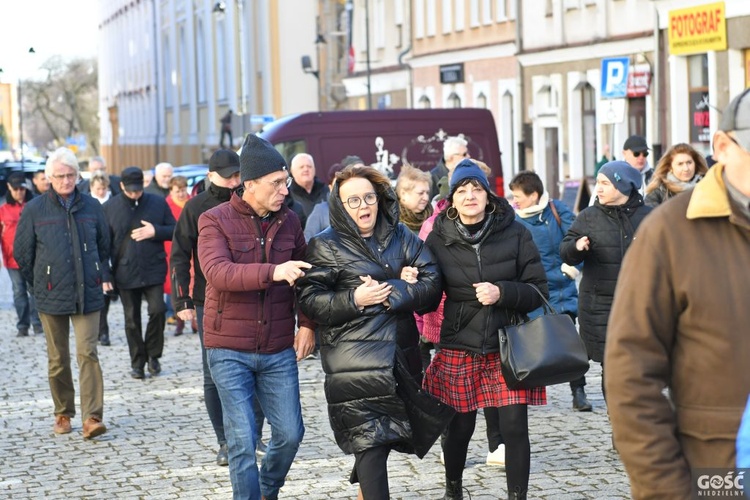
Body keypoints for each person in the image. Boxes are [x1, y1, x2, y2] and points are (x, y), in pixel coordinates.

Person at [604, 89, 750, 499]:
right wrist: (667, 489)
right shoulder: (669, 234)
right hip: (721, 475)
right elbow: (631, 375)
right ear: (722, 146)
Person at [296, 164, 442, 499]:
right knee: (371, 443)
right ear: (340, 206)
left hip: (398, 359)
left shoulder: (400, 235)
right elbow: (311, 301)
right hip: (354, 364)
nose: (363, 206)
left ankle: (365, 481)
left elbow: (432, 281)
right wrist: (355, 298)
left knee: (384, 437)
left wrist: (394, 292)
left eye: (368, 198)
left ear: (379, 199)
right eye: (353, 201)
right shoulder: (325, 246)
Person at [197, 134, 315, 500]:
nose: (284, 189)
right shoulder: (212, 219)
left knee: (291, 434)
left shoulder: (291, 221)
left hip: (278, 347)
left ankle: (266, 490)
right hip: (228, 348)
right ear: (249, 185)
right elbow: (218, 273)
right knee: (243, 439)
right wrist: (273, 271)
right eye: (276, 182)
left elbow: (306, 278)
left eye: (286, 181)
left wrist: (308, 324)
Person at [424, 159, 548, 500]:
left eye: (476, 188)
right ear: (452, 200)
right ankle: (453, 490)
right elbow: (428, 298)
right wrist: (413, 282)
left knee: (514, 427)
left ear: (487, 194)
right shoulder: (438, 239)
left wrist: (502, 292)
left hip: (508, 344)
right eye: (462, 190)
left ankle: (517, 496)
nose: (469, 196)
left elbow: (539, 289)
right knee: (460, 427)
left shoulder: (516, 232)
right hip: (459, 344)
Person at [14, 147, 112, 439]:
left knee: (88, 353)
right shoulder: (34, 210)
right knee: (58, 358)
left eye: (71, 175)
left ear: (78, 176)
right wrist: (39, 284)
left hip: (88, 293)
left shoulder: (92, 206)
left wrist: (96, 272)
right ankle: (63, 412)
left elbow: (104, 244)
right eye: (60, 176)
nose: (66, 181)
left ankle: (92, 416)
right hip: (50, 293)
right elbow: (23, 253)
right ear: (48, 178)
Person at [172, 149, 242, 466]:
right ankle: (224, 441)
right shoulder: (196, 207)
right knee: (212, 372)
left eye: (237, 174)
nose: (234, 180)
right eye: (228, 175)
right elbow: (178, 254)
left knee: (251, 370)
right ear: (211, 175)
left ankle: (249, 435)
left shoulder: (250, 200)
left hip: (248, 293)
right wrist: (181, 301)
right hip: (207, 299)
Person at [560, 161, 652, 400]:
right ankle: (617, 419)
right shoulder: (589, 216)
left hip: (640, 305)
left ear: (623, 186)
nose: (598, 189)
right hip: (599, 306)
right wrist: (577, 247)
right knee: (611, 366)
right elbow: (565, 251)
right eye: (598, 183)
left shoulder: (650, 216)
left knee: (638, 365)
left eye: (605, 183)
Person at [509, 171, 590, 411]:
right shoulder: (513, 220)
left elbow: (579, 241)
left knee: (569, 342)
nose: (515, 201)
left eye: (518, 196)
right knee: (535, 341)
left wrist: (571, 270)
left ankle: (579, 391)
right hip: (533, 291)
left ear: (534, 195)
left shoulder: (557, 210)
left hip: (562, 287)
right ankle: (528, 393)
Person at [103, 167, 176, 379]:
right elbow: (103, 244)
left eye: (138, 189)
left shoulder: (157, 202)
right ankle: (137, 362)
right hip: (125, 271)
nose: (135, 194)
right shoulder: (109, 208)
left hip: (153, 267)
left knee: (158, 310)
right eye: (131, 190)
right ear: (122, 186)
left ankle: (153, 355)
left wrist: (156, 231)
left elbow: (175, 229)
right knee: (131, 319)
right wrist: (106, 275)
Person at [0, 172, 43, 337]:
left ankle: (37, 323)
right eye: (16, 189)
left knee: (34, 291)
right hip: (12, 259)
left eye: (22, 189)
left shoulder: (34, 205)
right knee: (19, 291)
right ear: (9, 188)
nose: (19, 192)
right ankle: (23, 325)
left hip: (34, 257)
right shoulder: (3, 211)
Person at [88, 173, 115, 346]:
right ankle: (100, 330)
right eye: (98, 188)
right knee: (98, 293)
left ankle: (102, 329)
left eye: (103, 188)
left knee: (106, 295)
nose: (100, 191)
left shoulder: (112, 203)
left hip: (112, 251)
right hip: (93, 252)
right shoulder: (88, 203)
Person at [164, 175, 190, 336]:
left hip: (190, 248)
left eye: (183, 190)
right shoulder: (166, 205)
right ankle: (179, 320)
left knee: (192, 284)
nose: (181, 194)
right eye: (177, 191)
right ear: (171, 191)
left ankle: (195, 321)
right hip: (171, 248)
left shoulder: (192, 203)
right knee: (175, 286)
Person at [644, 143, 708, 207]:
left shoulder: (708, 187)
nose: (686, 168)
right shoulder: (659, 191)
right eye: (680, 164)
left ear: (695, 164)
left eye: (689, 163)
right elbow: (650, 215)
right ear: (670, 167)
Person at [304, 162, 344, 242]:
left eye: (343, 184)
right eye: (337, 185)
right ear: (330, 187)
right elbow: (308, 241)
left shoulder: (358, 207)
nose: (341, 188)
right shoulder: (320, 211)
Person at [289, 153, 329, 223]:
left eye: (309, 166)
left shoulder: (326, 191)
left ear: (314, 169)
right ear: (292, 171)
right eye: (301, 167)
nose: (306, 169)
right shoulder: (287, 195)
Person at [395, 164, 433, 234]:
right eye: (420, 193)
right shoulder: (390, 224)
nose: (426, 198)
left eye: (427, 193)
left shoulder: (435, 220)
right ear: (403, 194)